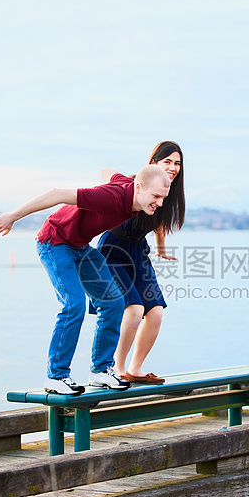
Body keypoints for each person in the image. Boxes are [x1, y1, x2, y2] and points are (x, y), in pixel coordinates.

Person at [0, 165, 170, 395]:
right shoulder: (109, 198)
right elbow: (57, 193)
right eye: (156, 196)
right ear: (139, 187)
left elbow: (107, 172)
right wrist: (12, 216)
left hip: (80, 248)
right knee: (74, 305)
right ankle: (56, 376)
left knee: (113, 302)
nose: (160, 203)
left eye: (163, 197)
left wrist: (108, 172)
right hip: (54, 243)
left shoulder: (131, 189)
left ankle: (101, 371)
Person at [93, 141, 185, 385]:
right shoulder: (135, 182)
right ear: (153, 162)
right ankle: (117, 369)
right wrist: (116, 186)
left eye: (177, 163)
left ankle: (136, 368)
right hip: (113, 249)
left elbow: (160, 223)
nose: (173, 167)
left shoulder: (169, 194)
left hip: (138, 252)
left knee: (155, 312)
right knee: (133, 310)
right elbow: (105, 171)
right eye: (167, 162)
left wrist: (162, 250)